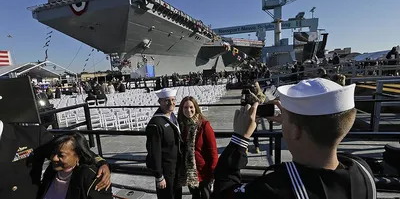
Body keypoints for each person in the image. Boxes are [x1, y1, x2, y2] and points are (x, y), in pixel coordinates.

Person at [211, 78, 376, 199]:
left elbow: (224, 192)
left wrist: (239, 138)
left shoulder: (272, 190)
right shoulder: (363, 171)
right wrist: (293, 122)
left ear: (296, 132)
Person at [0, 121, 111, 199]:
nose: (53, 158)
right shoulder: (51, 173)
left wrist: (102, 163)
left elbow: (70, 149)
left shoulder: (31, 135)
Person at [38, 132, 113, 199]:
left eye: (61, 155)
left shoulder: (91, 178)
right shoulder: (52, 170)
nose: (54, 158)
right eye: (53, 153)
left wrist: (103, 163)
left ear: (78, 156)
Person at [177, 96, 218, 199]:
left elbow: (212, 150)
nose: (188, 110)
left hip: (203, 170)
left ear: (196, 108)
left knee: (206, 196)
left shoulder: (204, 125)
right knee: (195, 195)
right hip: (189, 171)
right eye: (185, 107)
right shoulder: (181, 126)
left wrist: (213, 170)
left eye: (191, 107)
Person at [145, 88, 183, 199]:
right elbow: (154, 152)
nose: (171, 103)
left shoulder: (172, 116)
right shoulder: (156, 124)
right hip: (166, 172)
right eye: (167, 100)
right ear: (160, 102)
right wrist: (159, 176)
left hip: (176, 168)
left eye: (173, 99)